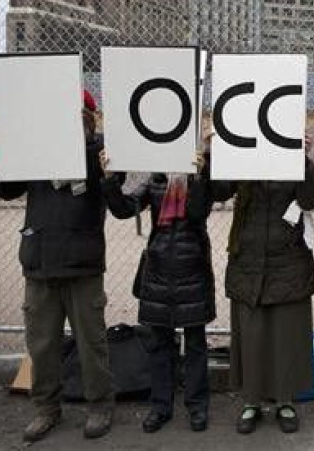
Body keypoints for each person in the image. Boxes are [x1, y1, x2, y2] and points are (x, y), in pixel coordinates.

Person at [0, 91, 116, 442]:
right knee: (42, 344)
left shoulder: (99, 152)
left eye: (81, 114)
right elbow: (6, 190)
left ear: (90, 117)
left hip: (82, 263)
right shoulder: (35, 147)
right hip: (40, 260)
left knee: (92, 343)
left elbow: (114, 196)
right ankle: (46, 408)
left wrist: (97, 154)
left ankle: (99, 406)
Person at [99, 145, 217, 433]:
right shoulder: (154, 179)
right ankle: (160, 406)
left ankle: (197, 406)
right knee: (159, 344)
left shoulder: (203, 175)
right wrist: (110, 179)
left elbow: (197, 210)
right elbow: (123, 209)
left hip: (193, 267)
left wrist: (200, 175)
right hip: (159, 269)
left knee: (196, 344)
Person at [215, 138, 314, 434]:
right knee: (252, 334)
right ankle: (251, 401)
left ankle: (285, 401)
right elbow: (218, 190)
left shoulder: (292, 153)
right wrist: (218, 153)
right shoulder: (242, 151)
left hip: (288, 259)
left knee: (286, 334)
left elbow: (312, 199)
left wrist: (302, 158)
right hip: (248, 259)